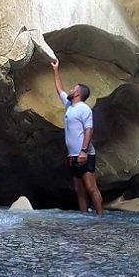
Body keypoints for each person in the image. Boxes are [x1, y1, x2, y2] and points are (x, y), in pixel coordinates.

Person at [50, 57, 103, 216]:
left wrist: (84, 151)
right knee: (79, 190)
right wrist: (55, 70)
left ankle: (101, 219)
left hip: (84, 155)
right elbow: (59, 90)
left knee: (91, 187)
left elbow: (89, 130)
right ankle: (84, 218)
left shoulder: (84, 109)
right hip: (73, 155)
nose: (70, 90)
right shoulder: (69, 106)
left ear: (78, 93)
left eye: (73, 89)